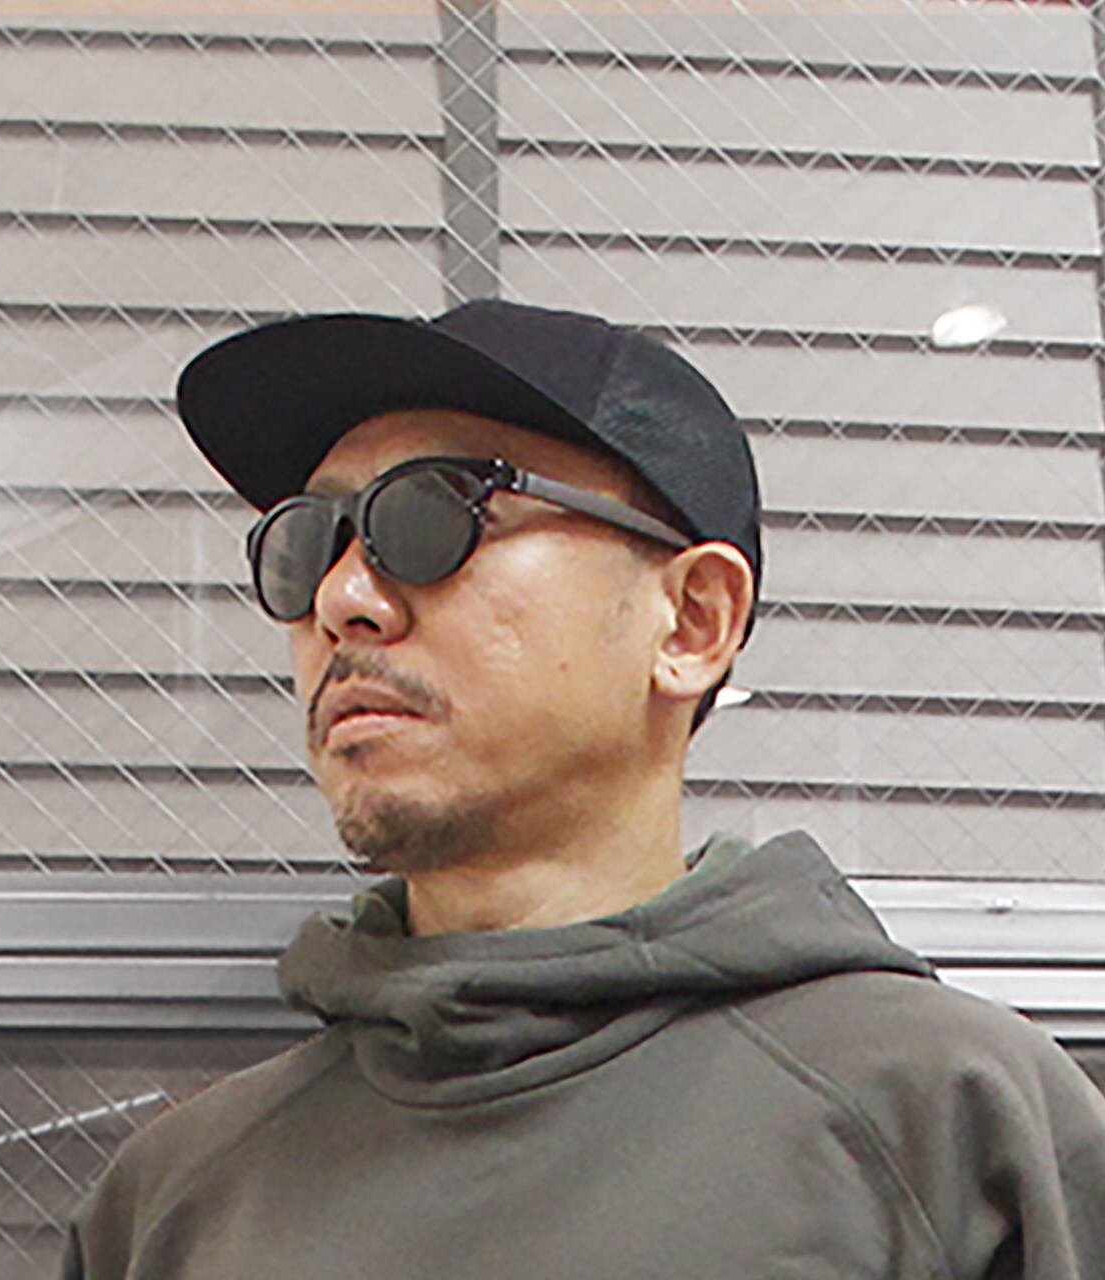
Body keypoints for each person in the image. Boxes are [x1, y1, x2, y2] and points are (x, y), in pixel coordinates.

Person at [61, 301, 1105, 1280]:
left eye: (429, 515)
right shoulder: (175, 1202)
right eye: (305, 543)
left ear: (691, 621)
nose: (342, 598)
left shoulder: (949, 1126)